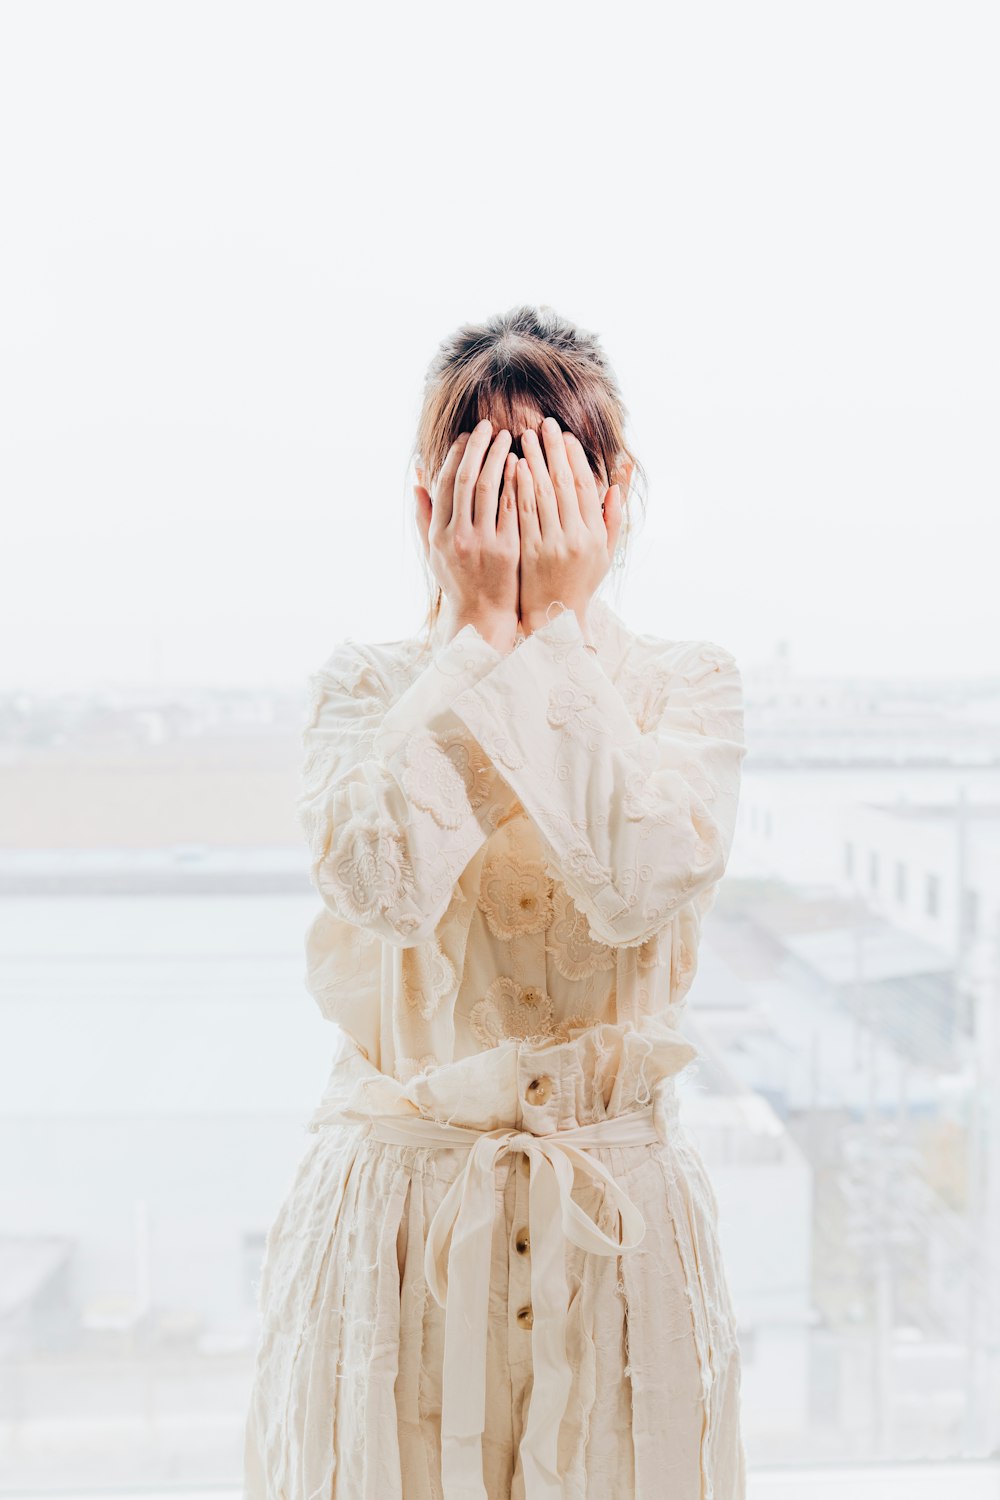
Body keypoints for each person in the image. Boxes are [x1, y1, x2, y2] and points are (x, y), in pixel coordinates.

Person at [243, 304, 750, 1499]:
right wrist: (478, 639)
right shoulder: (366, 689)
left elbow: (640, 882)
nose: (515, 501)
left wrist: (551, 640)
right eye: (484, 468)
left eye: (549, 465)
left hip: (614, 1229)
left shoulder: (687, 685)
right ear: (430, 497)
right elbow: (382, 882)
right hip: (398, 1228)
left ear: (612, 487)